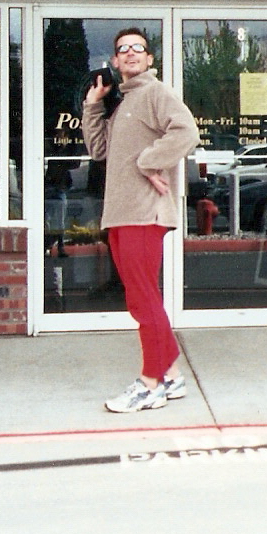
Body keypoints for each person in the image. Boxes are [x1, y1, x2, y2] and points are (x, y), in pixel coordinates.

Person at [82, 27, 200, 412]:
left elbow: (186, 132)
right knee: (140, 298)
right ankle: (172, 375)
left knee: (144, 299)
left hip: (145, 212)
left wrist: (149, 161)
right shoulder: (124, 102)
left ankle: (150, 384)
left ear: (149, 59)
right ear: (115, 61)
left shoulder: (155, 93)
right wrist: (93, 105)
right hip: (121, 213)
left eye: (138, 48)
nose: (131, 53)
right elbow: (99, 150)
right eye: (123, 49)